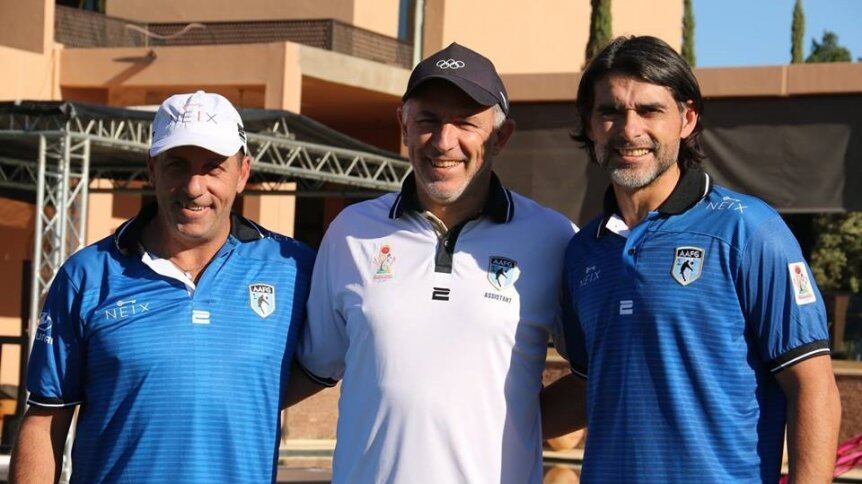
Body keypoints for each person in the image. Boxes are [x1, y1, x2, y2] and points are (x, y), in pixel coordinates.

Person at [541, 36, 842, 483]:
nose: (629, 130)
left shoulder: (749, 230)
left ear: (687, 118)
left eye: (649, 110)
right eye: (610, 112)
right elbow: (590, 383)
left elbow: (813, 387)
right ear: (589, 125)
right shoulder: (582, 250)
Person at [286, 43, 577, 483]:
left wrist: (513, 426)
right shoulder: (350, 232)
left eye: (465, 123)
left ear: (501, 137)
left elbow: (599, 375)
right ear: (403, 124)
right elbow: (315, 365)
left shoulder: (553, 239)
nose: (444, 142)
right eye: (428, 121)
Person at [11, 91, 315, 483]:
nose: (194, 187)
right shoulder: (87, 275)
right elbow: (45, 419)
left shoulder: (293, 269)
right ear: (151, 169)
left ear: (242, 174)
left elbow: (338, 361)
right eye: (177, 166)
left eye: (213, 168)